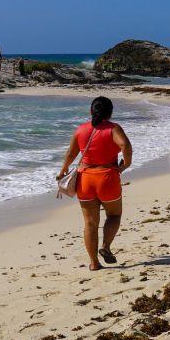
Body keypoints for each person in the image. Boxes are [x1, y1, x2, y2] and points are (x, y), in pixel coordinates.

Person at [56, 97, 133, 271]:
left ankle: (93, 263)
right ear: (110, 112)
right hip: (107, 178)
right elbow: (126, 146)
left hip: (85, 180)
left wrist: (63, 171)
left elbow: (70, 154)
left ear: (91, 111)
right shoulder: (113, 128)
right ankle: (105, 247)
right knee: (114, 216)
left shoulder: (81, 130)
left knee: (90, 223)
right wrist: (125, 165)